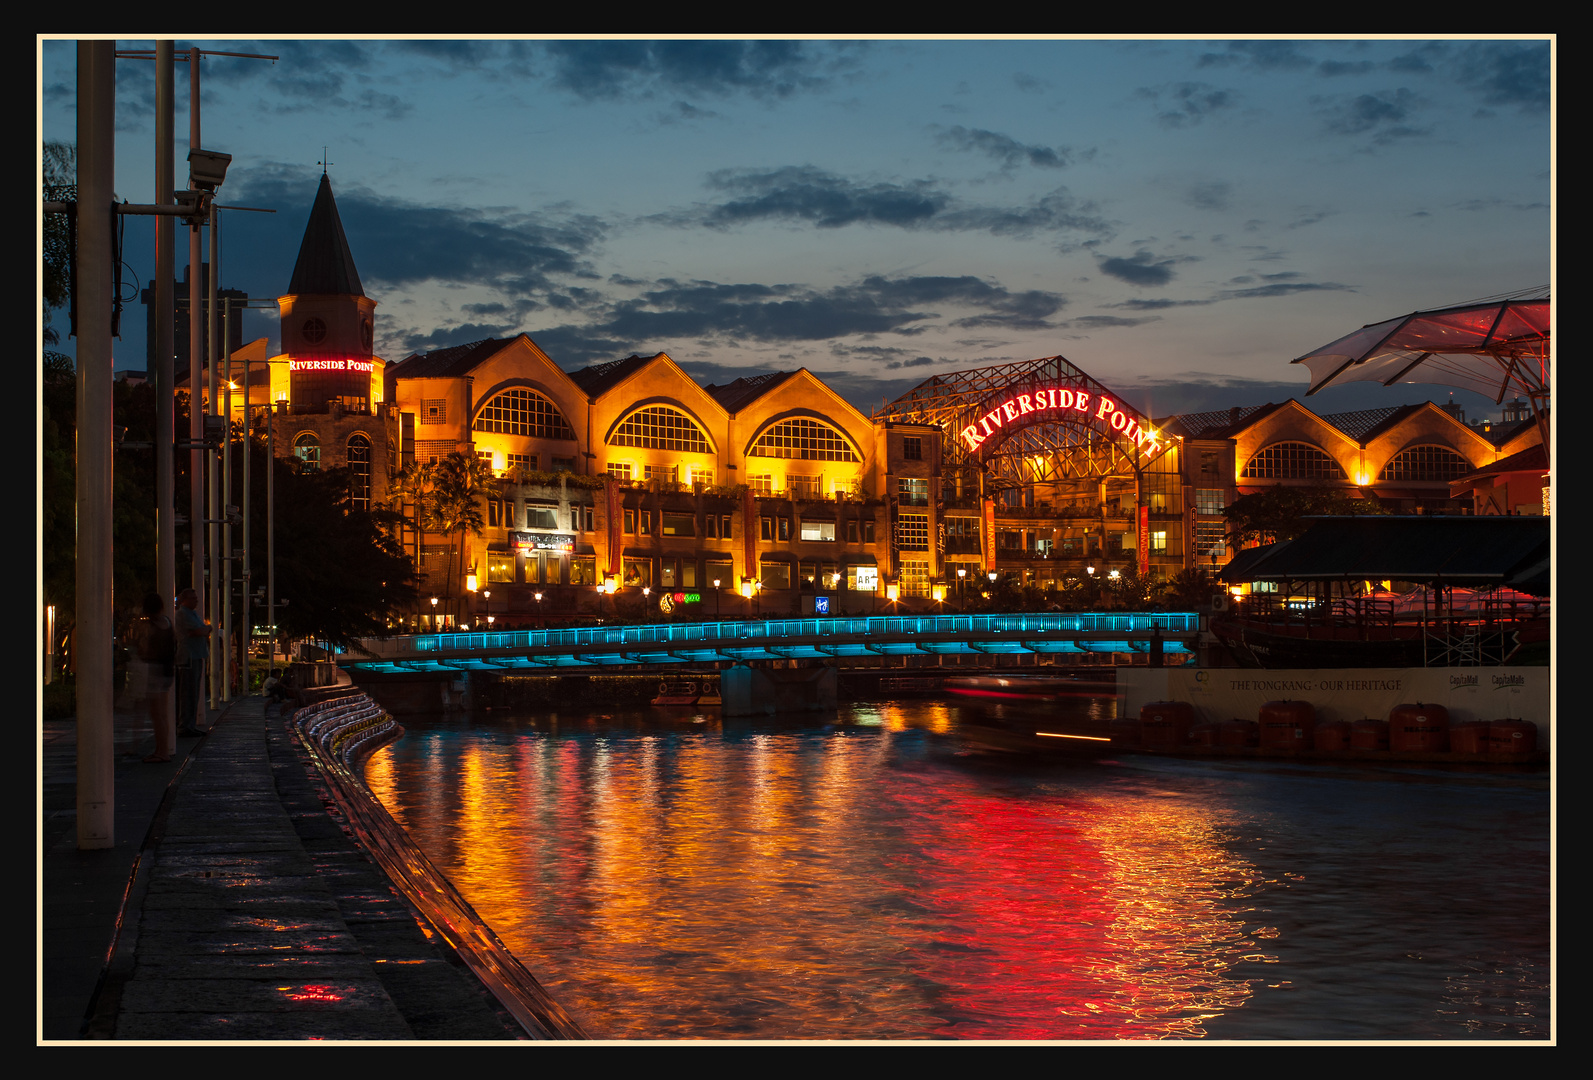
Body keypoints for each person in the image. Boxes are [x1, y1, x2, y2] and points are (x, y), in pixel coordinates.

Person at [127, 593, 177, 763]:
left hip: (155, 671)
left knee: (157, 714)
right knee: (162, 714)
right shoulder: (168, 622)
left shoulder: (149, 625)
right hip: (167, 670)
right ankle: (161, 749)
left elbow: (143, 649)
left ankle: (162, 751)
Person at [175, 587, 213, 736]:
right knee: (188, 693)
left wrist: (203, 630)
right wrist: (204, 630)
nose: (196, 601)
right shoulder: (183, 614)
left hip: (197, 656)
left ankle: (189, 724)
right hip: (188, 657)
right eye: (193, 598)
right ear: (184, 600)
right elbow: (200, 631)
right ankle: (185, 726)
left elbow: (201, 630)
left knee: (194, 692)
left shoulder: (193, 614)